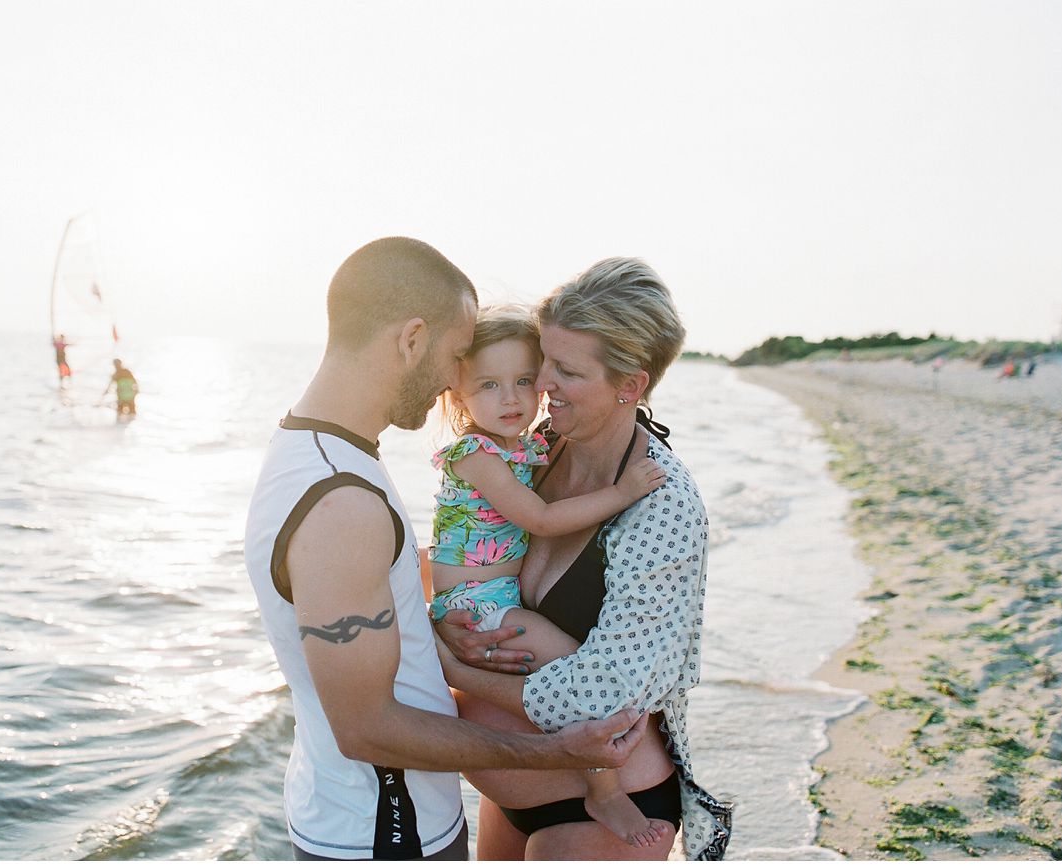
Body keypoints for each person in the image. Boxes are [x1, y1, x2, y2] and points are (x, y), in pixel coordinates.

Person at [242, 238, 649, 861]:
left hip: (375, 819)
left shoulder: (320, 455)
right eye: (458, 354)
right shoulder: (339, 502)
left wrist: (435, 630)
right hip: (385, 834)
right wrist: (557, 753)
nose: (449, 385)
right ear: (411, 341)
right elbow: (367, 728)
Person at [435, 257, 733, 861]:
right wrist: (447, 621)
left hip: (609, 804)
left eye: (566, 370)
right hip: (518, 781)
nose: (541, 382)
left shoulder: (662, 508)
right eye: (543, 357)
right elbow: (464, 556)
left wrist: (453, 669)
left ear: (631, 385)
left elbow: (611, 691)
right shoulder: (535, 452)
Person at [428, 303, 668, 847]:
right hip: (480, 601)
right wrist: (621, 494)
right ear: (458, 394)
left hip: (494, 592)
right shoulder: (476, 454)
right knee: (580, 674)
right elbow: (538, 518)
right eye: (489, 384)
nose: (510, 398)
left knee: (577, 674)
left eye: (522, 380)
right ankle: (605, 792)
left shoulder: (527, 446)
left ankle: (601, 788)